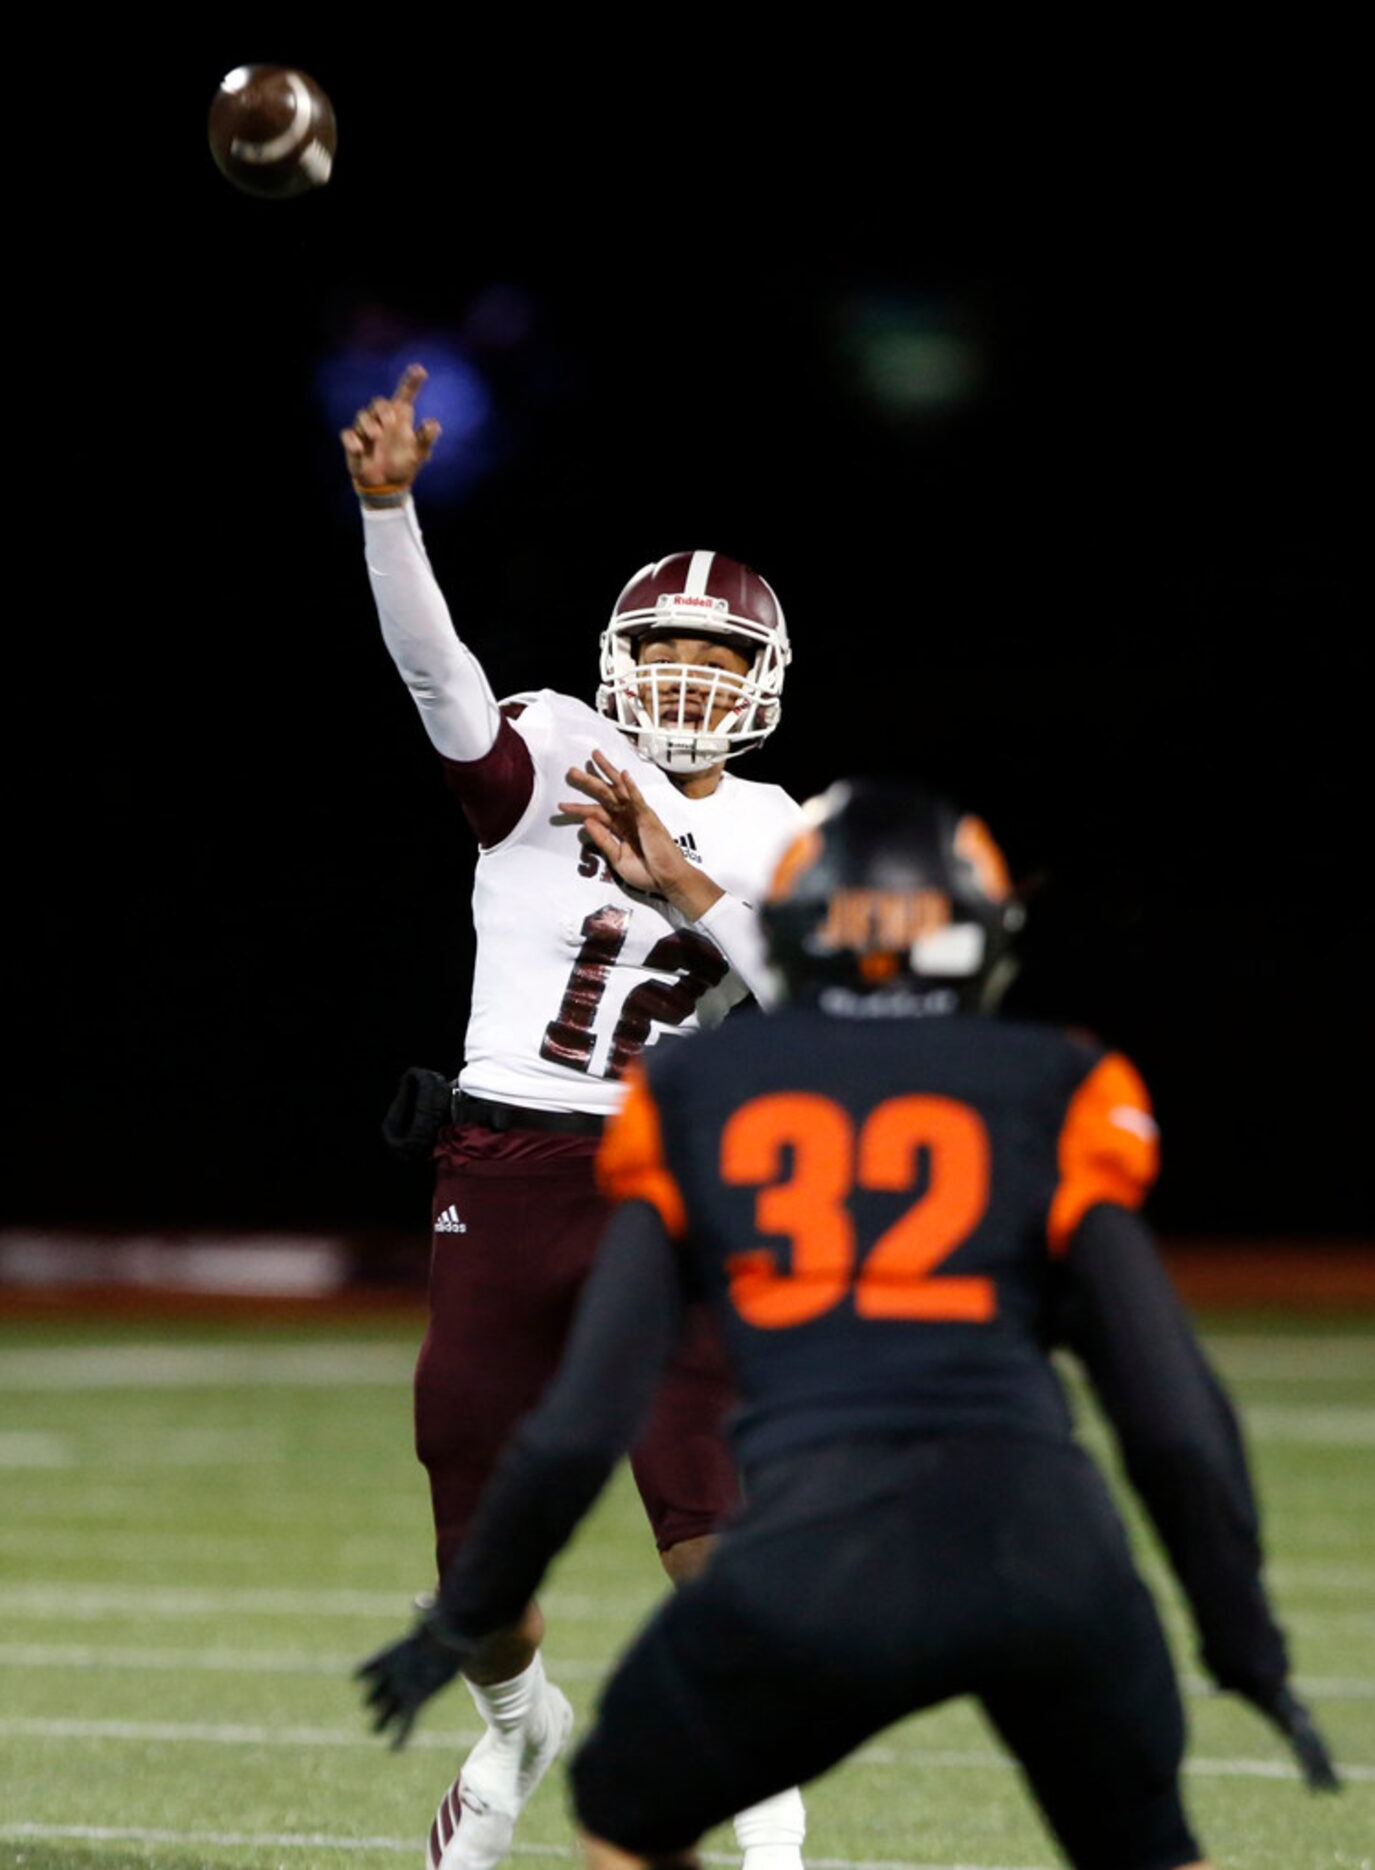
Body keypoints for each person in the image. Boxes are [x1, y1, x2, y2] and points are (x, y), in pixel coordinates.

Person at [357, 781, 1340, 1869]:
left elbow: (585, 1417)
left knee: (626, 1816)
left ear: (788, 926)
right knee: (1147, 1844)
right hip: (1046, 1551)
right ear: (982, 934)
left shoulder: (697, 1095)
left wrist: (474, 1606)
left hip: (819, 1554)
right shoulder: (1059, 1084)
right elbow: (1170, 1411)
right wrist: (1245, 1643)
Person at [340, 367, 808, 1870]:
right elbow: (435, 684)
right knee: (473, 1542)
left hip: (665, 1183)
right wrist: (389, 512)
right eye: (662, 649)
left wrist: (688, 880)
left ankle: (775, 1839)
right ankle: (520, 1719)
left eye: (711, 655)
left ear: (762, 677)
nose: (682, 677)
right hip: (503, 1157)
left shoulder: (777, 826)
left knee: (704, 1514)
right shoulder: (544, 743)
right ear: (616, 657)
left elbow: (823, 1007)